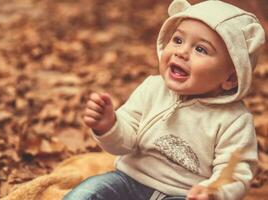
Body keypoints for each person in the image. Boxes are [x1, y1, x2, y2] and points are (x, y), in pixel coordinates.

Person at [63, 0, 265, 199]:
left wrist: (214, 191)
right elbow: (123, 142)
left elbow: (235, 172)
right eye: (178, 40)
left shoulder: (234, 120)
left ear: (230, 78)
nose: (181, 52)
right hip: (127, 181)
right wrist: (108, 126)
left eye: (201, 49)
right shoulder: (152, 88)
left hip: (183, 194)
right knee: (88, 191)